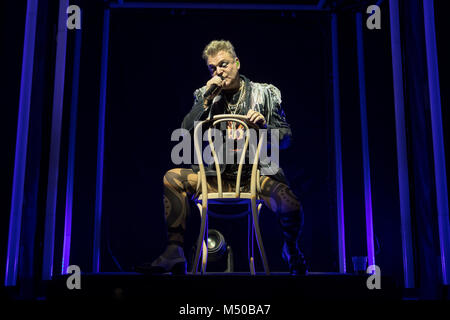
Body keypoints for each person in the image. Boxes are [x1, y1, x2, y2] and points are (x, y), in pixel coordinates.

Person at [136, 40, 307, 275]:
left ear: (237, 63)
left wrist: (265, 128)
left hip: (256, 175)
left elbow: (287, 140)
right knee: (172, 178)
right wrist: (206, 99)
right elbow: (184, 132)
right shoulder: (205, 95)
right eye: (212, 68)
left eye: (223, 64)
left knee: (291, 204)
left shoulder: (264, 93)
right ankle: (174, 251)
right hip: (214, 175)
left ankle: (290, 248)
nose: (219, 71)